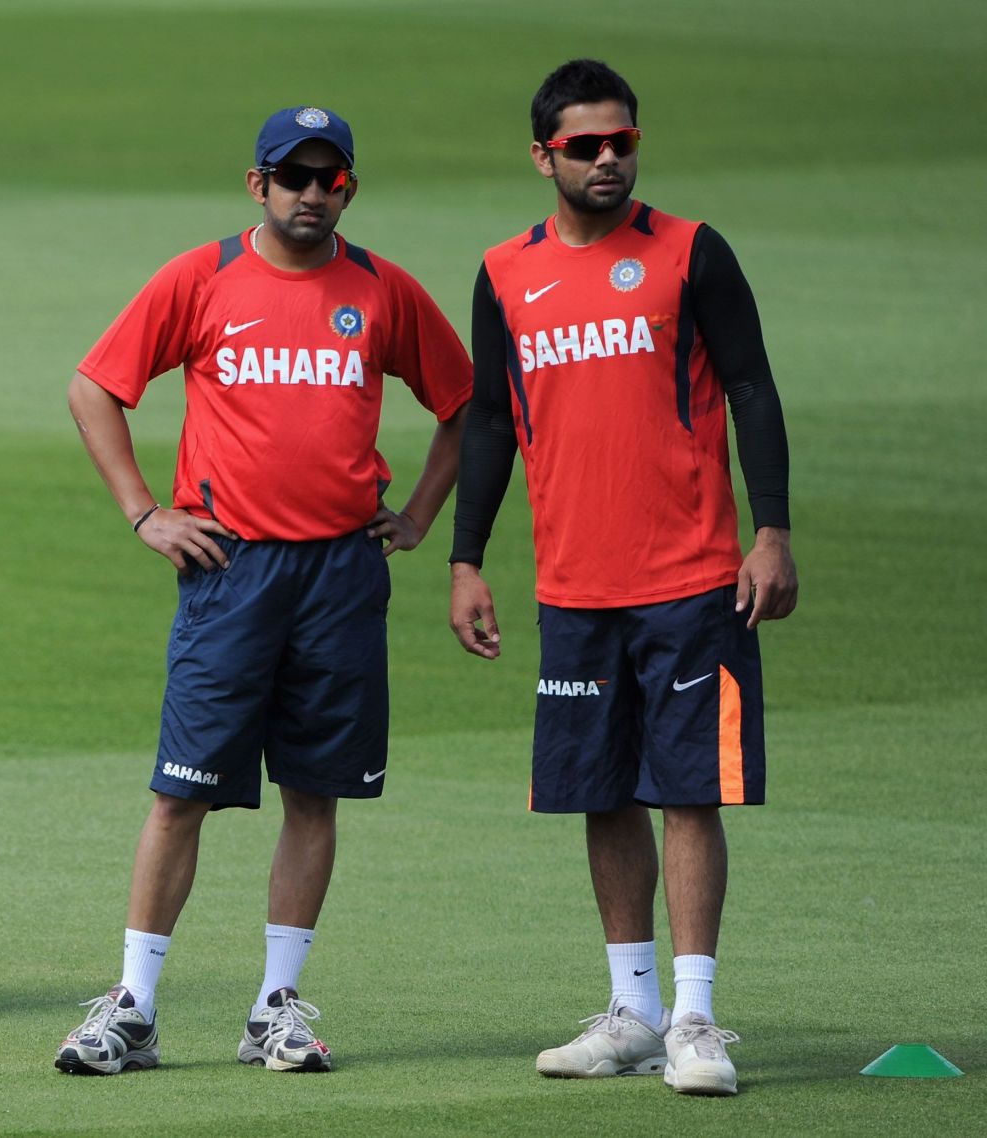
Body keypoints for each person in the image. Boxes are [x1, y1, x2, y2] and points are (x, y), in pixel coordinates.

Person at [58, 105, 472, 1075]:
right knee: (181, 793)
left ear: (350, 190)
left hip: (340, 573)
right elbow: (94, 387)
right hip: (230, 569)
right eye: (295, 177)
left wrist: (416, 516)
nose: (312, 194)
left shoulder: (381, 291)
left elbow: (465, 404)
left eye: (330, 179)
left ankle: (274, 1007)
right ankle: (136, 1005)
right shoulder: (203, 277)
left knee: (314, 791)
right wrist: (143, 510)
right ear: (260, 185)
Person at [448, 59, 797, 1097]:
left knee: (688, 790)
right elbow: (489, 423)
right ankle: (632, 1010)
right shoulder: (505, 272)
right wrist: (467, 558)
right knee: (601, 794)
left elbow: (751, 387)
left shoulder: (691, 253)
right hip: (574, 586)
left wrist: (770, 529)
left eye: (623, 142)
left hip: (693, 579)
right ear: (543, 155)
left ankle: (695, 1018)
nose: (609, 160)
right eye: (586, 146)